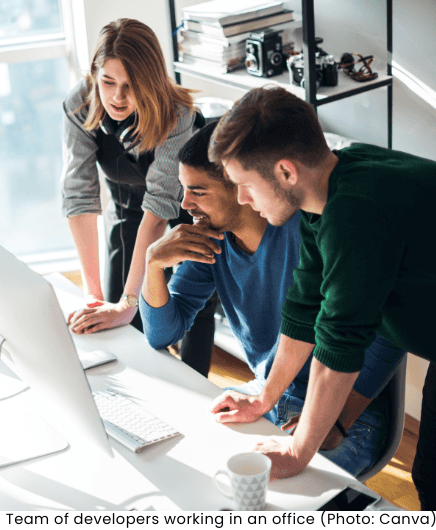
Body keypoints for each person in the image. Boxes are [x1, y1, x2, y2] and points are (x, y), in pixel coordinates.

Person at [206, 85, 436, 506]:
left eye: (245, 185)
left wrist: (297, 451)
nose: (240, 199)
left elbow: (339, 346)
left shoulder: (358, 215)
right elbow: (303, 310)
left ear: (286, 173)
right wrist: (264, 398)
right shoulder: (328, 194)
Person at [140, 122, 405, 477]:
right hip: (266, 394)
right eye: (184, 190)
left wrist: (334, 424)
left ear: (241, 187)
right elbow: (161, 334)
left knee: (265, 499)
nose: (185, 204)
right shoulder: (210, 242)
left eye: (198, 192)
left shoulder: (310, 231)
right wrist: (153, 264)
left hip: (341, 414)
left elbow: (390, 333)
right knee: (177, 460)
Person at [60, 18, 216, 376]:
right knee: (118, 315)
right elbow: (79, 194)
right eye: (108, 82)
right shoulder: (78, 105)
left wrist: (130, 302)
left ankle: (192, 387)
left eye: (131, 86)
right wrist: (94, 297)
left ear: (151, 82)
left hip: (182, 209)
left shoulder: (178, 115)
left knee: (187, 304)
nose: (117, 96)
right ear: (94, 76)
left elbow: (160, 208)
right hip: (127, 204)